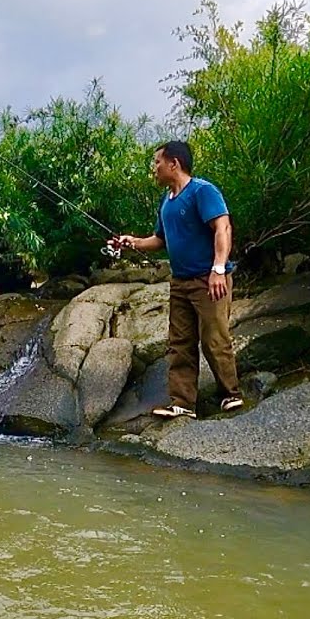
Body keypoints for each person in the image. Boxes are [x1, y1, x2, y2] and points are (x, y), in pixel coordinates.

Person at [112, 140, 244, 419]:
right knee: (180, 342)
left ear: (174, 164)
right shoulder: (166, 202)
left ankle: (231, 394)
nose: (154, 168)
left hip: (209, 280)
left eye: (157, 162)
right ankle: (183, 403)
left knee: (214, 338)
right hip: (180, 283)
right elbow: (158, 240)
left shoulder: (202, 191)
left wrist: (218, 269)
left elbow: (223, 227)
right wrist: (131, 242)